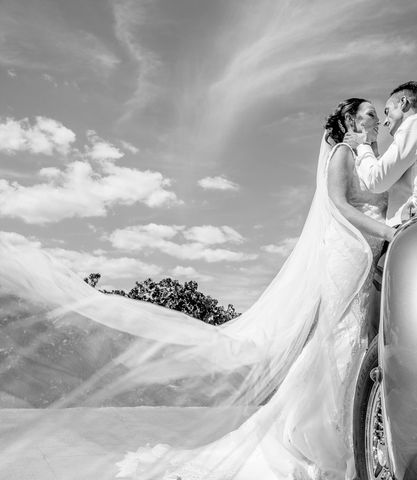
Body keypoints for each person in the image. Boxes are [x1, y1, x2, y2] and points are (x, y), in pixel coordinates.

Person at [0, 98, 392, 479]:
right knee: (342, 337)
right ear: (352, 122)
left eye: (377, 114)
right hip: (349, 250)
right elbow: (340, 204)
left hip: (370, 248)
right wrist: (385, 231)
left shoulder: (372, 161)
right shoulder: (342, 153)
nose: (376, 119)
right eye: (370, 114)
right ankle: (330, 436)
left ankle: (356, 425)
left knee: (359, 338)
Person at [345, 81, 417, 226]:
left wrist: (362, 144)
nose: (385, 122)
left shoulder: (413, 125)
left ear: (403, 102)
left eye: (387, 111)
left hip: (413, 225)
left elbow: (376, 181)